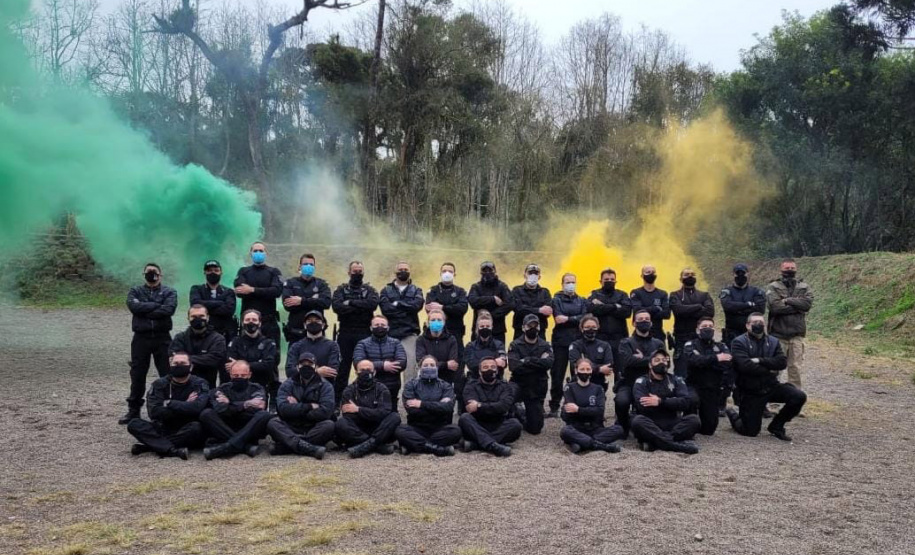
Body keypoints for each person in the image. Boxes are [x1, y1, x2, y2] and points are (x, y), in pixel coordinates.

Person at [726, 313, 807, 441]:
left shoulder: (773, 341)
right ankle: (733, 415)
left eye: (761, 323)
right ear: (747, 326)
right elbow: (745, 366)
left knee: (798, 396)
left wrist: (759, 360)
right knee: (750, 432)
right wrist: (770, 368)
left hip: (771, 386)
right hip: (750, 391)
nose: (759, 325)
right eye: (755, 323)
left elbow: (782, 362)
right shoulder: (738, 342)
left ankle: (777, 426)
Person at [121, 262, 178, 424]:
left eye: (154, 272)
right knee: (137, 374)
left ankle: (168, 406)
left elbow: (169, 310)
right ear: (143, 274)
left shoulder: (170, 291)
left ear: (161, 275)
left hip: (163, 337)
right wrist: (156, 306)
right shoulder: (135, 291)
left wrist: (144, 308)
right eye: (148, 272)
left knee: (167, 373)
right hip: (141, 338)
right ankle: (133, 411)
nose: (151, 274)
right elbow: (134, 307)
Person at [126, 352, 207, 459]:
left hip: (186, 426)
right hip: (163, 425)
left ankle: (150, 446)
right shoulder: (159, 384)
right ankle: (171, 450)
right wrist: (186, 404)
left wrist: (169, 403)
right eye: (175, 363)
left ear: (191, 367)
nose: (179, 365)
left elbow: (198, 408)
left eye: (183, 363)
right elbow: (154, 412)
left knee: (197, 428)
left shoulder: (199, 383)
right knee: (134, 423)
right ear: (170, 366)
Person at [630, 348, 700, 454]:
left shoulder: (676, 380)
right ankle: (676, 445)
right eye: (657, 360)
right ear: (650, 365)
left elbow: (685, 402)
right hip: (651, 422)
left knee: (694, 420)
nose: (662, 363)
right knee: (637, 421)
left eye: (664, 360)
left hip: (672, 422)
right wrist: (673, 402)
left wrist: (660, 401)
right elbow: (642, 405)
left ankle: (656, 443)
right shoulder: (641, 381)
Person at [199, 360, 273, 459]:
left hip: (248, 426)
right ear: (230, 375)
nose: (239, 378)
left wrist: (230, 404)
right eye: (236, 375)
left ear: (249, 375)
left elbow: (258, 408)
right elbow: (220, 409)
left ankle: (225, 447)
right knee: (206, 413)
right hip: (227, 425)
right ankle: (245, 447)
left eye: (243, 375)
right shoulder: (222, 388)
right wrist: (246, 404)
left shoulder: (257, 388)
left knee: (264, 415)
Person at [266, 352, 333, 459]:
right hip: (291, 425)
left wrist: (296, 407)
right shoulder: (287, 384)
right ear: (298, 367)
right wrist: (309, 406)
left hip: (313, 426)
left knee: (329, 425)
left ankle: (286, 447)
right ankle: (308, 447)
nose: (306, 367)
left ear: (316, 367)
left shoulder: (326, 386)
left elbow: (326, 412)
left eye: (310, 364)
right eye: (303, 364)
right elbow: (282, 409)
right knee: (272, 423)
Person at [718, 263, 766, 412]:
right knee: (728, 369)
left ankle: (757, 403)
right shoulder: (727, 290)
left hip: (752, 336)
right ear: (733, 274)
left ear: (748, 274)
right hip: (731, 334)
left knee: (754, 368)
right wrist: (748, 305)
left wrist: (738, 307)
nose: (740, 276)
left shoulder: (757, 291)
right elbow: (727, 307)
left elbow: (760, 310)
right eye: (737, 273)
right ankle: (721, 403)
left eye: (743, 273)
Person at [332, 261, 379, 405]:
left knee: (366, 368)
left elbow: (372, 305)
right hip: (345, 333)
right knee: (342, 370)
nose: (357, 274)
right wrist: (360, 305)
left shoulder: (369, 290)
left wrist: (350, 303)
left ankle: (368, 400)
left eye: (360, 271)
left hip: (365, 333)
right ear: (349, 272)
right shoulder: (341, 289)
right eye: (354, 271)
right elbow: (337, 307)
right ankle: (338, 401)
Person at [395, 355, 461, 456]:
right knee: (400, 430)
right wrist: (438, 405)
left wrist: (421, 404)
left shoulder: (445, 386)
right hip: (417, 427)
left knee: (456, 431)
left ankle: (414, 446)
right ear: (420, 368)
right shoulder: (410, 385)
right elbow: (412, 411)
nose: (429, 367)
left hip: (440, 427)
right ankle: (439, 449)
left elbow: (447, 408)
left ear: (437, 368)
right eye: (425, 365)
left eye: (432, 365)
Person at [335, 359, 402, 458]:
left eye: (368, 369)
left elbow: (384, 413)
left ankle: (366, 445)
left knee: (395, 417)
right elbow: (348, 414)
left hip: (379, 428)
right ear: (356, 372)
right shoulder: (349, 390)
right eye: (362, 370)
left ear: (374, 372)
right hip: (358, 429)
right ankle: (377, 446)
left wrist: (358, 409)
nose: (365, 372)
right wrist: (373, 412)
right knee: (341, 423)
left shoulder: (382, 389)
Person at [614, 310, 665, 435]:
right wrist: (652, 359)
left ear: (651, 323)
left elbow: (663, 364)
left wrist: (641, 358)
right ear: (633, 323)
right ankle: (622, 427)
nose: (644, 321)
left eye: (647, 319)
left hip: (651, 383)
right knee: (621, 401)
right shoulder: (625, 342)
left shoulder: (658, 343)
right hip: (629, 382)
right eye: (640, 319)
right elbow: (627, 361)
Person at [458, 357, 522, 457]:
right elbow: (470, 408)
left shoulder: (505, 386)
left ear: (497, 371)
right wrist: (494, 406)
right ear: (479, 372)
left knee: (515, 424)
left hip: (498, 424)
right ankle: (494, 445)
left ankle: (476, 445)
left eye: (493, 367)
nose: (489, 369)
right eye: (485, 367)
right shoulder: (471, 386)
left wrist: (479, 405)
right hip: (477, 424)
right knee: (464, 418)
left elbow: (504, 407)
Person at [766, 259, 814, 388]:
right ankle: (771, 398)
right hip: (777, 335)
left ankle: (795, 397)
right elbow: (775, 307)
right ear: (781, 270)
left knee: (795, 369)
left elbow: (807, 305)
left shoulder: (804, 286)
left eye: (792, 268)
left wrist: (787, 300)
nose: (790, 270)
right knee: (774, 369)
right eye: (787, 268)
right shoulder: (773, 286)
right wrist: (797, 306)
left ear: (796, 269)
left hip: (796, 335)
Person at [560, 358, 624, 453]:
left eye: (588, 369)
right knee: (565, 431)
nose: (585, 372)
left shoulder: (598, 389)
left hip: (595, 428)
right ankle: (601, 446)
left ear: (591, 371)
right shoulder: (569, 388)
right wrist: (589, 411)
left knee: (619, 429)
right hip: (576, 428)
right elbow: (568, 413)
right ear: (576, 370)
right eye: (582, 369)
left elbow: (599, 411)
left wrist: (578, 410)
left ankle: (581, 444)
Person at [548, 273, 589, 418]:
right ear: (562, 284)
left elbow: (585, 318)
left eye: (573, 282)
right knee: (557, 375)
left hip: (577, 342)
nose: (570, 285)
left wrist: (568, 318)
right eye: (567, 282)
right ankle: (554, 407)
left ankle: (574, 405)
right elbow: (558, 318)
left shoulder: (582, 300)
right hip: (560, 341)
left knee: (577, 374)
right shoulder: (556, 299)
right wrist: (575, 319)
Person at [507, 314, 554, 434]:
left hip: (535, 388)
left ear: (539, 328)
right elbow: (514, 367)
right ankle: (515, 409)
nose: (532, 328)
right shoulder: (515, 344)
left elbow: (548, 363)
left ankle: (522, 414)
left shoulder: (545, 345)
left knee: (535, 429)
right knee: (507, 398)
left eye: (535, 325)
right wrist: (539, 363)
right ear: (523, 328)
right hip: (519, 384)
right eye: (529, 326)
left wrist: (526, 360)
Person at [684, 317, 731, 436]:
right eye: (704, 327)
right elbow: (693, 361)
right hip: (694, 385)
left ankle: (731, 414)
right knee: (692, 400)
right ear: (697, 330)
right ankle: (687, 421)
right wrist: (715, 358)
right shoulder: (690, 344)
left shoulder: (721, 346)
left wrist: (704, 362)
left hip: (712, 388)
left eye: (710, 326)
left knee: (709, 430)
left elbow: (727, 363)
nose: (708, 329)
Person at [380, 261, 424, 381]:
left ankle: (408, 397)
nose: (403, 272)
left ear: (409, 272)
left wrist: (398, 304)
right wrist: (407, 308)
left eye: (405, 269)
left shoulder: (416, 290)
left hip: (410, 334)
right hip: (390, 335)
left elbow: (417, 306)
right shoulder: (386, 290)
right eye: (400, 270)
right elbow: (386, 309)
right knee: (390, 369)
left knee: (410, 369)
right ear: (395, 272)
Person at [234, 242, 283, 350]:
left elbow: (277, 291)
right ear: (250, 254)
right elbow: (239, 292)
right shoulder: (243, 271)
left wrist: (251, 290)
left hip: (269, 323)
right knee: (245, 355)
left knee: (273, 356)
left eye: (261, 251)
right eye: (255, 251)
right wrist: (266, 292)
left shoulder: (274, 271)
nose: (258, 253)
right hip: (248, 323)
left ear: (266, 253)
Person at [226, 309, 279, 410]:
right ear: (242, 323)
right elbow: (230, 366)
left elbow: (268, 365)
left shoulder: (268, 343)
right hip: (237, 388)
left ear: (260, 323)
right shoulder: (235, 342)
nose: (251, 322)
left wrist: (240, 364)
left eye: (254, 320)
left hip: (261, 387)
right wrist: (258, 363)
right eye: (247, 319)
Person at [353, 315, 408, 408]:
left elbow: (402, 363)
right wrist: (383, 365)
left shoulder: (396, 343)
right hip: (368, 386)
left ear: (388, 328)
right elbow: (358, 363)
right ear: (371, 328)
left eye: (383, 325)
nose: (380, 327)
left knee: (392, 415)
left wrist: (371, 366)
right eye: (376, 324)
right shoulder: (362, 344)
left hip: (392, 385)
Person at [669, 268, 715, 378]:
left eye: (692, 274)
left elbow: (710, 312)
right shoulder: (675, 295)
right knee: (681, 372)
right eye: (686, 274)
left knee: (702, 370)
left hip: (701, 339)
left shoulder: (704, 295)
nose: (690, 276)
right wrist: (698, 307)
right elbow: (678, 311)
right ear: (681, 278)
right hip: (681, 339)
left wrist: (687, 311)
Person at [169, 304, 227, 388]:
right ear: (188, 318)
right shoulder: (180, 337)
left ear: (208, 317)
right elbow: (174, 358)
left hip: (208, 386)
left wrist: (185, 360)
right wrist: (203, 359)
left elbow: (214, 360)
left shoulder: (218, 338)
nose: (197, 319)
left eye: (201, 316)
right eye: (193, 316)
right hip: (181, 386)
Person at [461, 312, 508, 412]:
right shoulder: (470, 346)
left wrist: (483, 364)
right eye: (482, 326)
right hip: (475, 383)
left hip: (496, 383)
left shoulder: (499, 344)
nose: (485, 328)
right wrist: (494, 361)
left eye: (487, 326)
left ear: (492, 327)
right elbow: (471, 365)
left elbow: (503, 364)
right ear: (477, 328)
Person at [282, 253, 332, 345]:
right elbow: (288, 306)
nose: (308, 266)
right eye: (305, 264)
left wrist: (301, 301)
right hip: (295, 335)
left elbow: (326, 303)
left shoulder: (322, 284)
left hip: (317, 335)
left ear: (314, 267)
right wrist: (314, 301)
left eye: (311, 265)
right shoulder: (290, 283)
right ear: (300, 267)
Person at [587, 268, 632, 368]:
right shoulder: (594, 294)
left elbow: (627, 312)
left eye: (612, 279)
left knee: (621, 372)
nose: (609, 282)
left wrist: (602, 306)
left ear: (616, 281)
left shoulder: (622, 294)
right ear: (600, 281)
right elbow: (591, 308)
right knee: (599, 371)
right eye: (606, 280)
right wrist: (615, 306)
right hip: (599, 338)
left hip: (620, 339)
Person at [425, 262, 469, 361]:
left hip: (456, 332)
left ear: (454, 274)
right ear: (440, 273)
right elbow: (430, 309)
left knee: (456, 361)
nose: (447, 273)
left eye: (450, 271)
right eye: (444, 271)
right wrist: (452, 310)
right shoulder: (432, 291)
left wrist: (442, 307)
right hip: (435, 333)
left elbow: (462, 308)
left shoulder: (460, 291)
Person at [189, 260, 237, 345]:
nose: (213, 273)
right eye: (209, 270)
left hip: (225, 334)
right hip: (203, 333)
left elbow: (229, 310)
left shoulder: (229, 291)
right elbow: (195, 305)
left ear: (221, 272)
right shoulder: (196, 289)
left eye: (216, 270)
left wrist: (205, 308)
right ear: (205, 272)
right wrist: (220, 303)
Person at [285, 310, 341, 381]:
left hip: (324, 388)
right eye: (309, 320)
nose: (313, 322)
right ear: (305, 325)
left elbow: (332, 371)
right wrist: (317, 371)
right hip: (300, 388)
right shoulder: (296, 346)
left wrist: (303, 370)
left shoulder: (332, 346)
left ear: (323, 325)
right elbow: (289, 371)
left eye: (317, 320)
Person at [468, 261, 514, 343]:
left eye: (490, 270)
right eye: (484, 271)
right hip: (479, 329)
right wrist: (492, 299)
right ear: (481, 272)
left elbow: (510, 304)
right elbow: (472, 301)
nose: (487, 273)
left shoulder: (502, 286)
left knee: (499, 354)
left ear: (495, 271)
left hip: (497, 330)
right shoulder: (476, 287)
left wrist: (490, 315)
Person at [568, 315, 614, 392]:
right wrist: (599, 369)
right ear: (582, 329)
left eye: (593, 327)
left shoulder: (605, 345)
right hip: (578, 384)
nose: (591, 329)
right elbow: (575, 365)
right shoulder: (575, 345)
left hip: (598, 384)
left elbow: (609, 366)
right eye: (587, 327)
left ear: (598, 328)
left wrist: (584, 366)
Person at [415, 308, 460, 383]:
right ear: (428, 322)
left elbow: (453, 364)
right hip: (425, 380)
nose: (436, 322)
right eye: (433, 320)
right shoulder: (421, 340)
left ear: (444, 322)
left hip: (446, 381)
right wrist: (445, 365)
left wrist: (431, 365)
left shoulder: (451, 339)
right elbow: (421, 362)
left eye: (439, 320)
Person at [510, 263, 552, 341]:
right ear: (524, 275)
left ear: (539, 277)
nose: (533, 276)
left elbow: (547, 312)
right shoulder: (516, 290)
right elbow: (518, 309)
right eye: (530, 273)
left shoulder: (545, 292)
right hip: (520, 331)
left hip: (540, 332)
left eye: (536, 273)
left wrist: (527, 308)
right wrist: (539, 310)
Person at [629, 265, 670, 341]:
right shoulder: (636, 292)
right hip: (639, 334)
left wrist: (644, 310)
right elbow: (637, 311)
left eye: (653, 272)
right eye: (648, 272)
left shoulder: (663, 293)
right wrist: (656, 308)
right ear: (642, 275)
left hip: (658, 335)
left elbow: (667, 314)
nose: (651, 274)